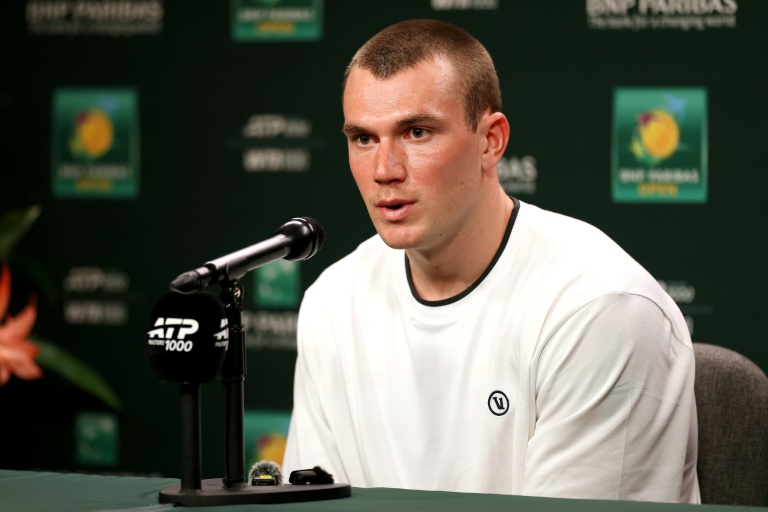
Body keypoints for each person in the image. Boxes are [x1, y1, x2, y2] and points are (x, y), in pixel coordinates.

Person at [283, 19, 700, 503]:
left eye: (416, 132)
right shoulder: (333, 300)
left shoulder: (601, 308)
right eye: (363, 138)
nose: (384, 170)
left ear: (491, 141)